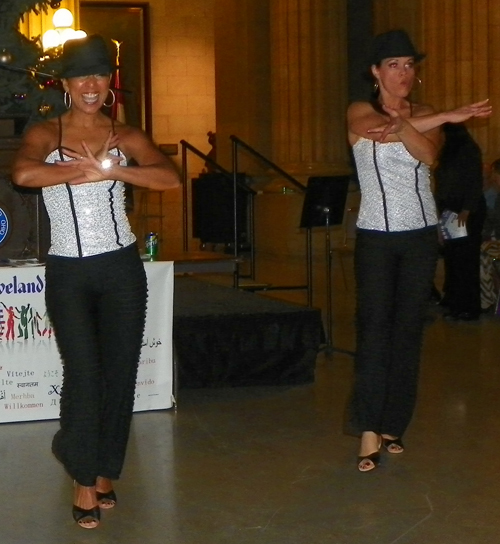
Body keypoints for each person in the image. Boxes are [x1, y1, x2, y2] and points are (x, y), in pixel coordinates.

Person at [12, 35, 180, 528]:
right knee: (84, 373)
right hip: (69, 269)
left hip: (122, 268)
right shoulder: (47, 131)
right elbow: (22, 174)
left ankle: (106, 466)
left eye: (100, 75)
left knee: (120, 372)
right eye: (82, 76)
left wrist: (112, 171)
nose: (91, 85)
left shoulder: (126, 136)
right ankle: (84, 477)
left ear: (110, 83)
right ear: (65, 83)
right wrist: (71, 171)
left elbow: (168, 178)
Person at [346, 29, 491, 472]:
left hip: (420, 234)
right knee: (374, 329)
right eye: (394, 65)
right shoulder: (358, 110)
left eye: (410, 65)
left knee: (409, 329)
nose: (404, 73)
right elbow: (377, 134)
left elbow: (428, 155)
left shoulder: (424, 113)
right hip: (375, 234)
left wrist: (416, 122)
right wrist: (447, 115)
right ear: (375, 72)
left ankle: (393, 424)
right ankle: (368, 428)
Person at [434, 123, 486, 321]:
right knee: (453, 257)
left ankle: (468, 306)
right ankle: (454, 300)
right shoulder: (448, 153)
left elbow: (474, 182)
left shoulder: (468, 151)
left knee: (465, 259)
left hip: (464, 211)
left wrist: (465, 212)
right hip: (451, 210)